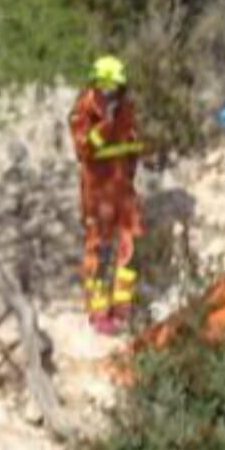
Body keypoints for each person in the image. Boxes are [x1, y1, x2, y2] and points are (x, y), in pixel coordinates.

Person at [70, 55, 148, 335]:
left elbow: (133, 144)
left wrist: (129, 176)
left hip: (123, 190)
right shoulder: (84, 109)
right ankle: (99, 311)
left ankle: (123, 308)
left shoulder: (126, 107)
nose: (113, 93)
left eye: (117, 88)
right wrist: (105, 124)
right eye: (109, 88)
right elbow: (83, 150)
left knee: (130, 246)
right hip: (97, 192)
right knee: (99, 251)